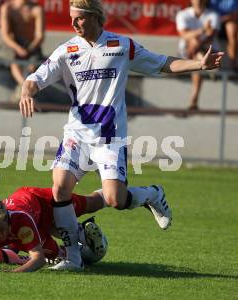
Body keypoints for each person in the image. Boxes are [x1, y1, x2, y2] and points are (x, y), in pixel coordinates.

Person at [19, 0, 224, 271]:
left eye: (79, 18)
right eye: (71, 18)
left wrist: (198, 64)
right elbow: (36, 78)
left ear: (94, 17)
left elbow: (163, 63)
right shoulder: (67, 50)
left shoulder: (121, 46)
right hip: (77, 134)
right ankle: (73, 258)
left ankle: (151, 194)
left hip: (109, 135)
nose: (73, 24)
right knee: (59, 187)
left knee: (115, 198)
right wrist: (26, 91)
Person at [0, 187, 107, 272]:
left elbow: (38, 259)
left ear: (7, 218)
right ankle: (87, 250)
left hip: (41, 201)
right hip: (31, 229)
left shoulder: (20, 220)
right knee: (57, 254)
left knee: (91, 203)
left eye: (1, 229)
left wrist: (12, 274)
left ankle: (121, 193)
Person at [177, 0, 221, 110]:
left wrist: (196, 42)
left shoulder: (213, 15)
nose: (198, 1)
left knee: (198, 56)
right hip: (188, 51)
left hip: (203, 51)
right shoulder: (182, 14)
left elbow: (211, 35)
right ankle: (208, 66)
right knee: (198, 56)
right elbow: (184, 34)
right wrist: (203, 30)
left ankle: (194, 99)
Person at [0, 0, 45, 102]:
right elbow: (5, 36)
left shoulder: (36, 9)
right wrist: (17, 48)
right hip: (13, 44)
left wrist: (30, 48)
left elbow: (39, 36)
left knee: (33, 65)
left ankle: (22, 90)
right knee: (14, 62)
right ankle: (25, 87)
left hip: (31, 45)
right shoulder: (7, 8)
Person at [208, 0, 238, 71]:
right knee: (210, 28)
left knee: (232, 28)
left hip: (226, 23)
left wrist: (221, 19)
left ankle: (232, 64)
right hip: (212, 23)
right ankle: (213, 63)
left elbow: (235, 15)